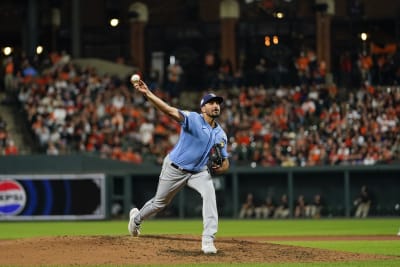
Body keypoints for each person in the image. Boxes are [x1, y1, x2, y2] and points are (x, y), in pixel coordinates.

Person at [128, 79, 230, 254]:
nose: (215, 106)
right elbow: (167, 110)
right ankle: (136, 219)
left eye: (218, 103)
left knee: (210, 195)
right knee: (160, 203)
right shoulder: (192, 119)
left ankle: (208, 240)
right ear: (203, 108)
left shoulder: (221, 134)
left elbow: (226, 161)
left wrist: (222, 168)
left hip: (198, 171)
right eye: (211, 103)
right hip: (175, 168)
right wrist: (147, 94)